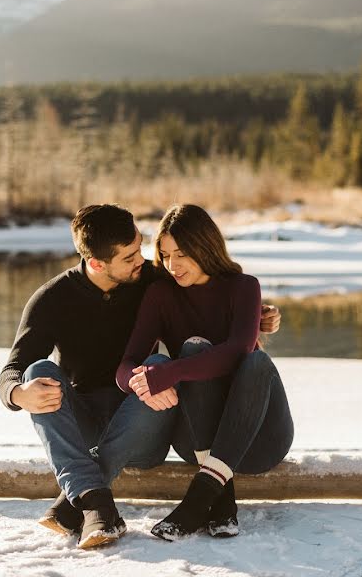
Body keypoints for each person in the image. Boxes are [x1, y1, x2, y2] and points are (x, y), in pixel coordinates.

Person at [0, 204, 281, 549]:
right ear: (98, 263)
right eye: (131, 256)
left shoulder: (153, 278)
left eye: (141, 248)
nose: (145, 261)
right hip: (90, 420)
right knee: (38, 372)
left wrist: (254, 317)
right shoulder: (51, 299)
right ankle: (95, 500)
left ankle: (86, 501)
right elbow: (12, 369)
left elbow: (208, 292)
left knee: (156, 363)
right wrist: (17, 393)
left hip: (144, 421)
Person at [117, 204, 294, 541]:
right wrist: (141, 382)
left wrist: (169, 373)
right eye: (165, 255)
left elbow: (237, 352)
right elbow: (126, 366)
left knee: (257, 361)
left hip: (261, 440)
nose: (172, 265)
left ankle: (199, 500)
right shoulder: (161, 294)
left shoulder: (244, 287)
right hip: (197, 444)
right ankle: (220, 497)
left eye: (181, 253)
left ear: (205, 245)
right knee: (194, 347)